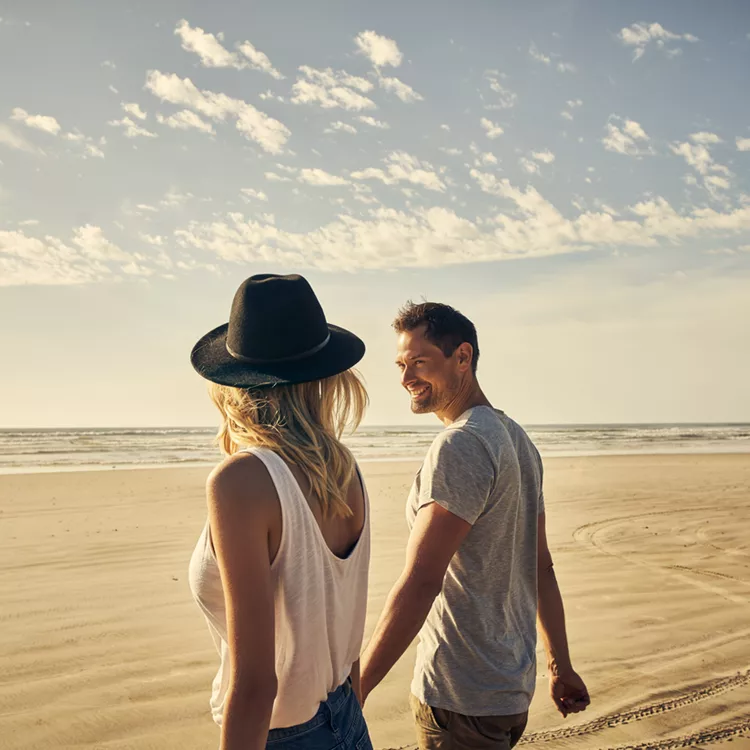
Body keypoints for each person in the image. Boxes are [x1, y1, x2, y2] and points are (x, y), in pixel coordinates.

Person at [360, 301, 589, 750]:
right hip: (506, 693)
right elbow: (540, 567)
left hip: (460, 697)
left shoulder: (461, 445)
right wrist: (559, 667)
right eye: (402, 365)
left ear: (462, 357)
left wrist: (358, 686)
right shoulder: (516, 438)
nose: (406, 378)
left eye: (420, 363)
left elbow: (422, 580)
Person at [188, 273, 373, 750]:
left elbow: (255, 683)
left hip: (284, 735)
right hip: (346, 717)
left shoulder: (241, 482)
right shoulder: (342, 471)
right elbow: (343, 630)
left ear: (233, 383)